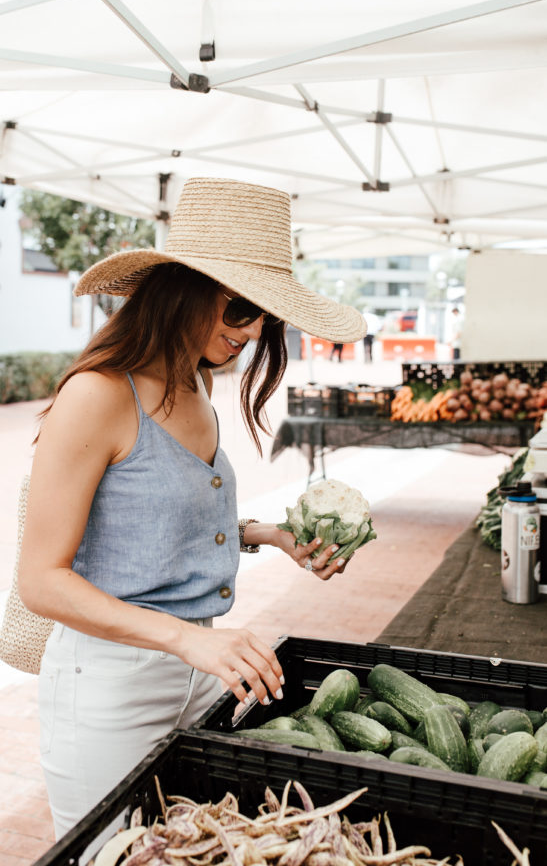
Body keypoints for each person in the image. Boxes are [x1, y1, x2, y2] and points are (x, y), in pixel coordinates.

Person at [18, 177, 366, 839]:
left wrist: (270, 534)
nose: (252, 330)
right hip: (110, 684)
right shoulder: (98, 396)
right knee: (114, 852)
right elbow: (41, 580)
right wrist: (184, 641)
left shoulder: (195, 386)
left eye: (263, 315)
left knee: (194, 849)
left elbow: (150, 521)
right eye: (239, 309)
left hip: (200, 667)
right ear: (182, 290)